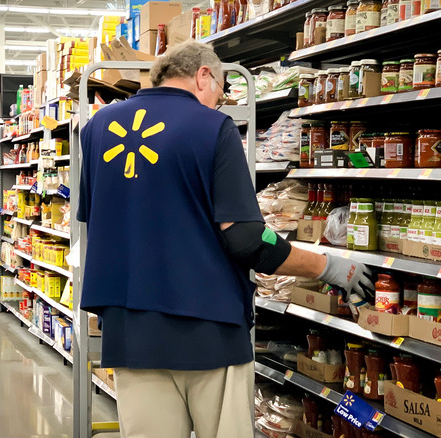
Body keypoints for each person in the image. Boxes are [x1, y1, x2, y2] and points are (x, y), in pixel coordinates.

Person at [77, 40, 374, 438]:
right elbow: (247, 239)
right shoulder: (212, 128)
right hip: (208, 330)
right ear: (203, 75)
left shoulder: (97, 128)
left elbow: (97, 219)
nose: (220, 101)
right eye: (221, 90)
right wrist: (329, 266)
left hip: (130, 334)